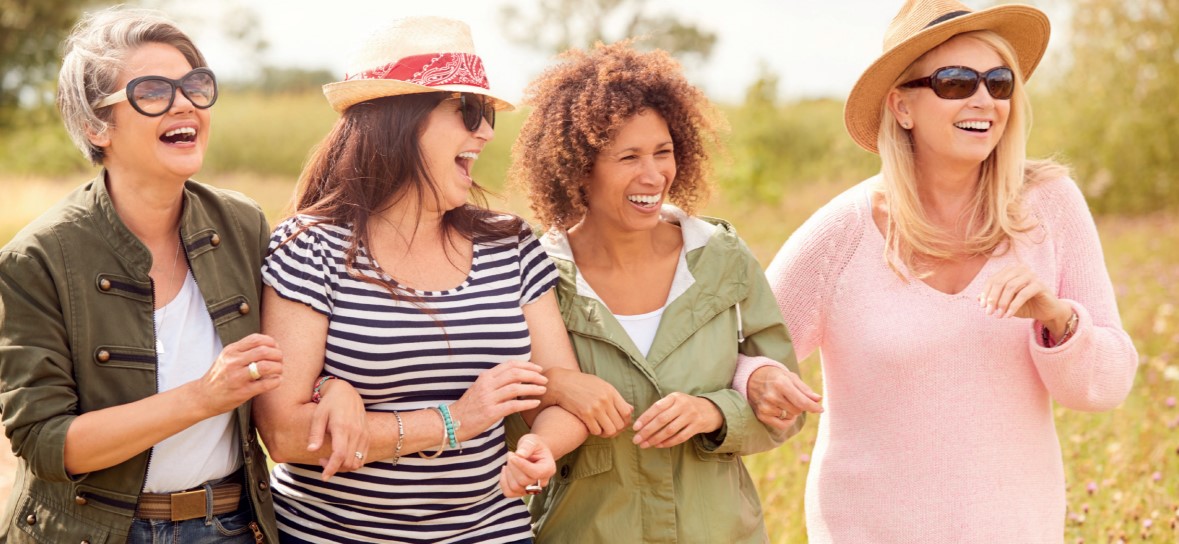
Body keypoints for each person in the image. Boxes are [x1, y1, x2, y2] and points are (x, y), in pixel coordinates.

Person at [745, 0, 1140, 541]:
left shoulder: (1051, 206)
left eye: (999, 82)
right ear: (901, 107)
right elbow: (738, 354)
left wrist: (1057, 318)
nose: (984, 99)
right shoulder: (840, 233)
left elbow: (1107, 387)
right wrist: (758, 380)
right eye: (956, 82)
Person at [250, 16, 588, 544]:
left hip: (490, 532)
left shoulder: (511, 244)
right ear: (399, 121)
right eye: (468, 111)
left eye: (486, 115)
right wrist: (454, 420)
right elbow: (285, 434)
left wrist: (542, 445)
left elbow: (560, 394)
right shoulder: (309, 246)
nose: (484, 131)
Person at [508, 41, 822, 543]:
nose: (653, 176)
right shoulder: (534, 275)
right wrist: (554, 385)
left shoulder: (722, 258)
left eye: (663, 151)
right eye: (628, 157)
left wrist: (716, 412)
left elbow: (782, 412)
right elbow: (505, 422)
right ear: (578, 167)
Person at [0, 6, 282, 543]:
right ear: (94, 125)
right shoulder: (36, 257)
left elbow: (294, 365)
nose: (185, 104)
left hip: (232, 527)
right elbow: (44, 442)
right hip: (91, 532)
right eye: (152, 91)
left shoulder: (243, 225)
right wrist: (203, 397)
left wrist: (334, 388)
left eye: (195, 85)